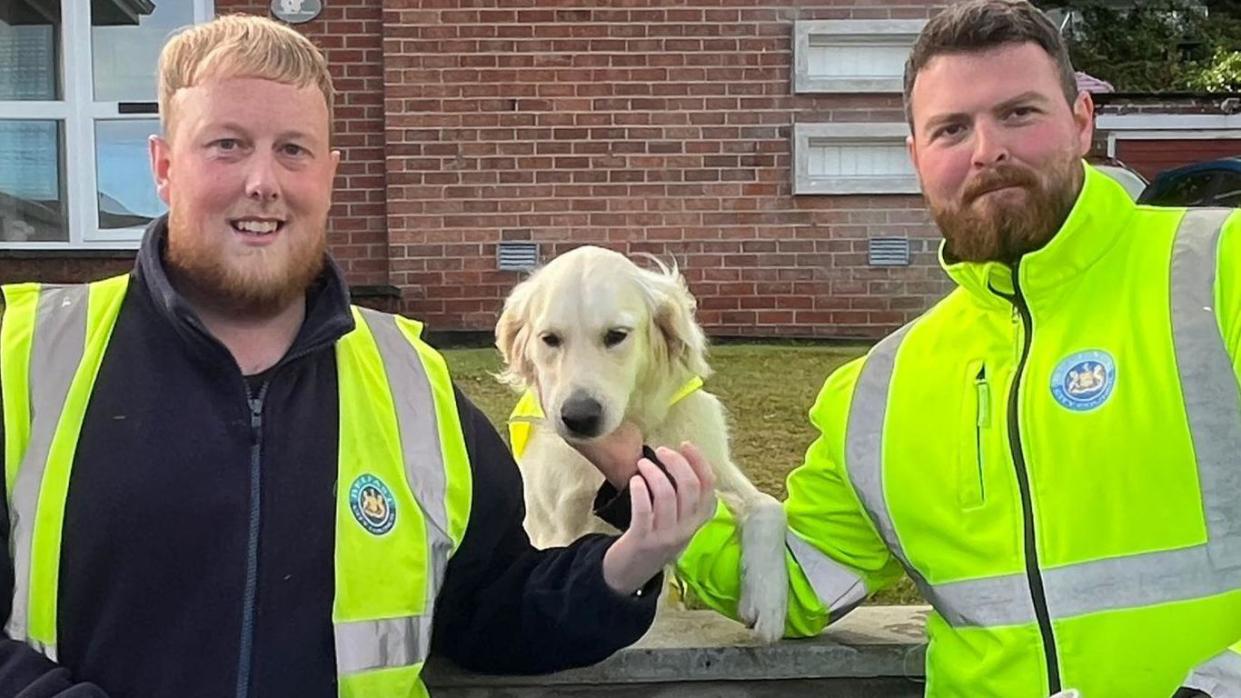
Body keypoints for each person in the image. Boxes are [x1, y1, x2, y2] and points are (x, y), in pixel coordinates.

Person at [0, 15, 715, 697]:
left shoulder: (411, 377)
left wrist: (623, 568)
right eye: (226, 144)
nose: (262, 182)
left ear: (329, 174)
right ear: (162, 166)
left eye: (293, 149)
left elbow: (488, 608)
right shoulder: (28, 354)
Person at [580, 1, 1241, 696]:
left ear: (1081, 122)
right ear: (915, 157)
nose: (986, 149)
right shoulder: (881, 388)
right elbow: (795, 580)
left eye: (1018, 113)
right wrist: (634, 466)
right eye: (950, 128)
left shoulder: (1219, 269)